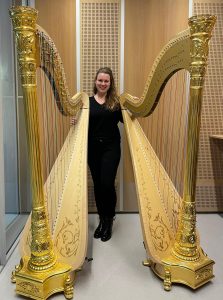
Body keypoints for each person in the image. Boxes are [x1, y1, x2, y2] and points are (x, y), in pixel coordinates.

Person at [87, 67, 123, 242]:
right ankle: (102, 219)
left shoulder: (116, 103)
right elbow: (82, 125)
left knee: (107, 184)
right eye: (100, 80)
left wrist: (136, 109)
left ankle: (109, 220)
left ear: (110, 83)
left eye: (106, 81)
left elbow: (130, 121)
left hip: (111, 148)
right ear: (95, 81)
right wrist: (75, 121)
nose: (103, 83)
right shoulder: (87, 103)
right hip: (92, 149)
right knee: (97, 185)